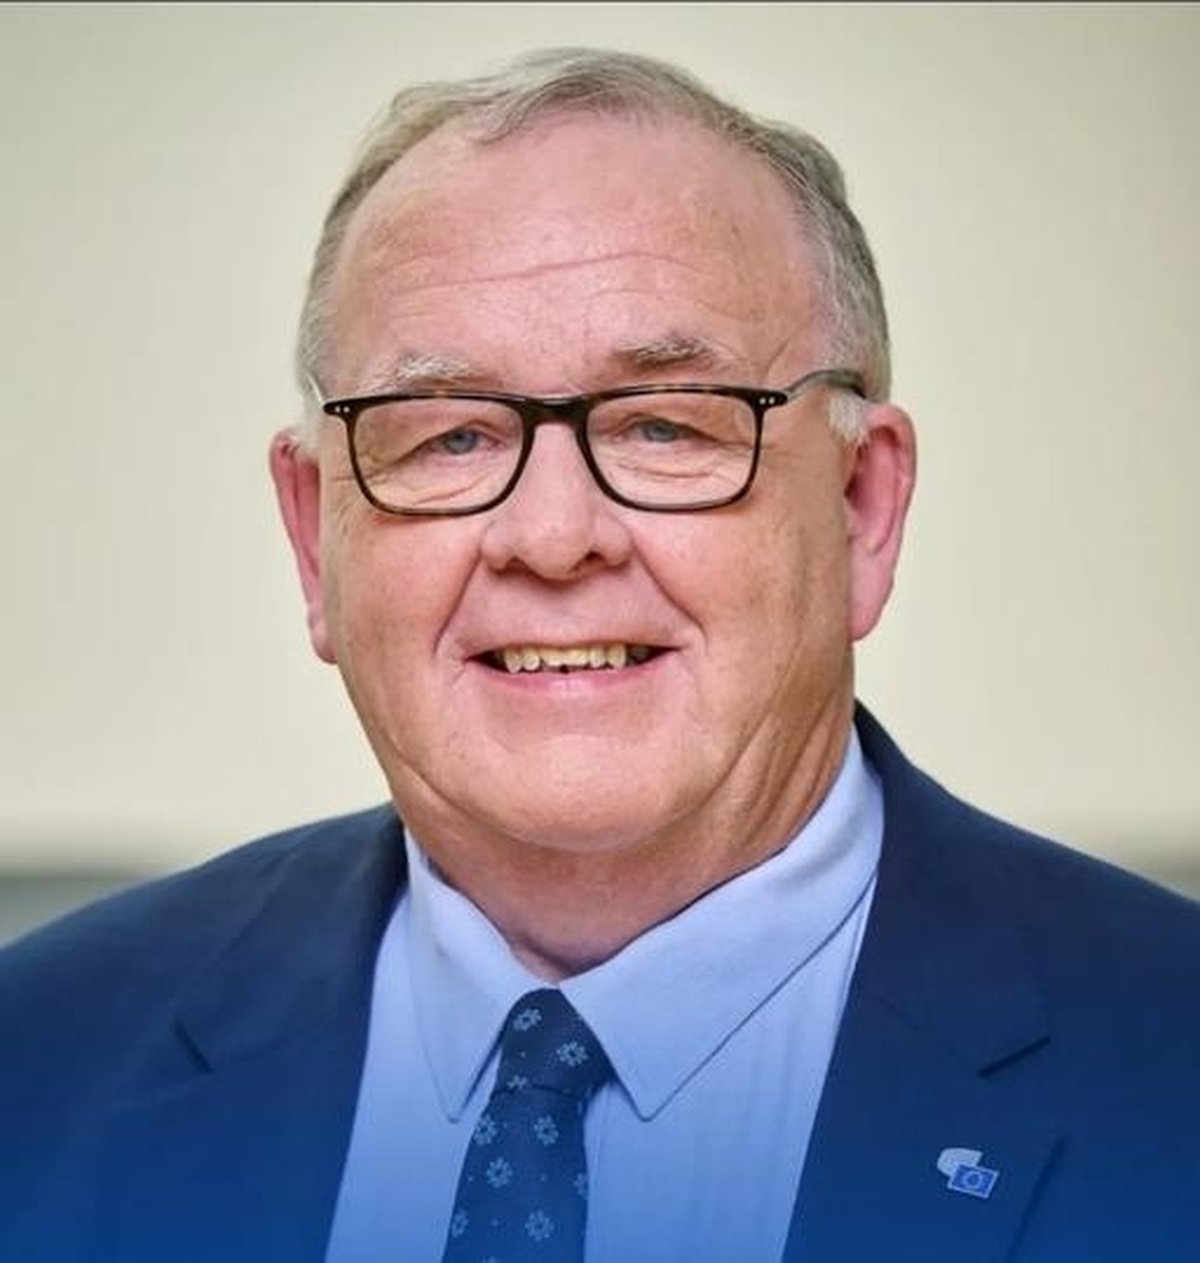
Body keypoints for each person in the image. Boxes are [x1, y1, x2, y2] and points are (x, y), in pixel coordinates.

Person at [1, 46, 1197, 1263]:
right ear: (316, 540)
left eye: (665, 425)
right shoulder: (35, 1065)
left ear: (861, 509)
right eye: (450, 438)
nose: (553, 536)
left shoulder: (1170, 1059)